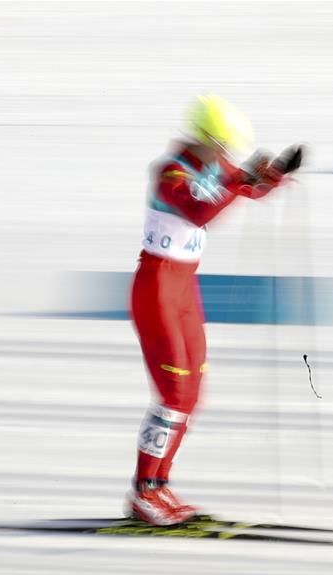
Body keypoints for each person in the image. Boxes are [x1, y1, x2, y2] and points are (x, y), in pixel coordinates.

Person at [126, 94, 303, 525]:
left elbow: (245, 187)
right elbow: (202, 208)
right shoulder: (170, 172)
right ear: (204, 138)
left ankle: (160, 485)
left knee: (189, 395)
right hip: (157, 290)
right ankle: (144, 492)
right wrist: (239, 182)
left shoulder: (215, 166)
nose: (226, 157)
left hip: (184, 290)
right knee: (171, 395)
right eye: (222, 147)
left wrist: (274, 174)